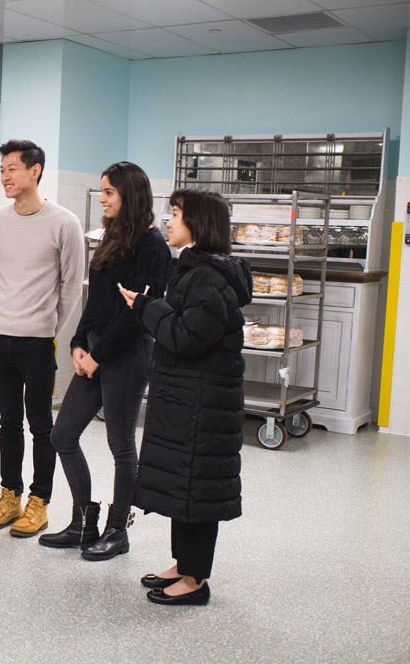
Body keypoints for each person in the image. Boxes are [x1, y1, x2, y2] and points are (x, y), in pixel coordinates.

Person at [119, 188, 252, 606]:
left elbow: (187, 336)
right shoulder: (193, 268)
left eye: (174, 214)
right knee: (183, 484)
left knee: (196, 489)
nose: (167, 221)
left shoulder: (210, 278)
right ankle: (184, 563)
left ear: (198, 222)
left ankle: (196, 580)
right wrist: (152, 306)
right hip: (186, 399)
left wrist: (146, 307)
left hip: (202, 404)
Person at [39, 162, 169, 560]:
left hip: (127, 355)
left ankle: (117, 530)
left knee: (121, 445)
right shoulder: (110, 238)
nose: (103, 199)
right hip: (94, 350)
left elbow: (136, 316)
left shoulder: (154, 247)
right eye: (102, 192)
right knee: (62, 435)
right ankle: (83, 522)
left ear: (129, 195)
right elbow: (94, 301)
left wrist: (97, 355)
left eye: (109, 192)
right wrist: (79, 343)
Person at [0, 139, 84, 537]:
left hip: (38, 342)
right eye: (2, 169)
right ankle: (10, 495)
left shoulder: (64, 222)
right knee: (8, 423)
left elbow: (72, 286)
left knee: (41, 424)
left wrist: (46, 328)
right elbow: (5, 273)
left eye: (11, 168)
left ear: (34, 171)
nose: (4, 176)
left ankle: (39, 502)